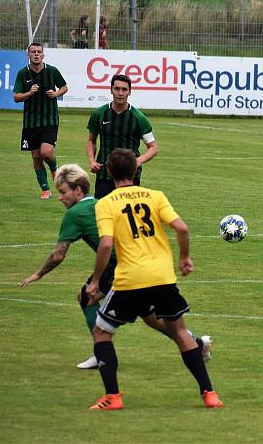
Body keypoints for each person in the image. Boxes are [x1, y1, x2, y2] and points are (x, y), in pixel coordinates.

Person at [20, 164, 212, 369]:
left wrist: (38, 274)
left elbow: (59, 254)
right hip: (138, 261)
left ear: (78, 190)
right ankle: (197, 343)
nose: (60, 197)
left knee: (87, 297)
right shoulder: (99, 203)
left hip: (118, 264)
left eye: (63, 192)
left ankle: (100, 351)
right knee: (151, 317)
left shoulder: (74, 214)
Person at [86, 148, 224, 410]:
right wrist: (184, 258)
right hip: (162, 277)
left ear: (109, 172)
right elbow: (181, 227)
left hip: (131, 279)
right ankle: (209, 394)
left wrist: (95, 281)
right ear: (136, 170)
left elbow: (105, 245)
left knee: (102, 332)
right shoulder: (155, 196)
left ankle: (112, 397)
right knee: (180, 332)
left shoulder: (105, 203)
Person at [86, 74, 157, 199]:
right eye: (117, 89)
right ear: (111, 89)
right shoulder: (99, 114)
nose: (120, 93)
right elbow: (91, 141)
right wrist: (92, 160)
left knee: (128, 215)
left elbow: (153, 148)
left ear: (129, 92)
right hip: (104, 173)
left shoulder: (139, 118)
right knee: (103, 214)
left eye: (124, 89)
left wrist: (137, 161)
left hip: (130, 176)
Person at [13, 42, 68, 200]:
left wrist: (56, 94)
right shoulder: (23, 73)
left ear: (43, 55)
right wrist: (29, 93)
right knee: (36, 156)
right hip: (30, 122)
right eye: (33, 52)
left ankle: (54, 168)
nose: (36, 54)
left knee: (46, 152)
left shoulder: (52, 71)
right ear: (28, 55)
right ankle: (45, 189)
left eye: (39, 52)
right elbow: (16, 97)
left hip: (49, 119)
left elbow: (64, 87)